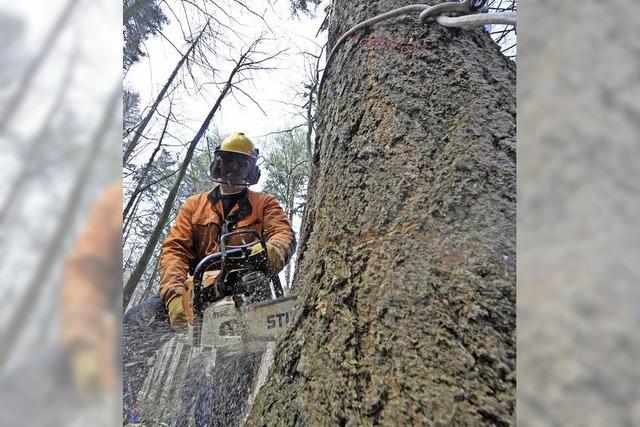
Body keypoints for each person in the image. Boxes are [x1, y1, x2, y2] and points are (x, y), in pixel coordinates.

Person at [123, 132, 296, 424]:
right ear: (217, 165)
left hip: (244, 294)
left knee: (234, 376)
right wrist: (174, 297)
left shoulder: (265, 203)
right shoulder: (195, 205)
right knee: (132, 331)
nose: (231, 172)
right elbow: (174, 251)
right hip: (200, 292)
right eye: (227, 164)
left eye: (240, 166)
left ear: (251, 170)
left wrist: (269, 252)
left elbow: (283, 234)